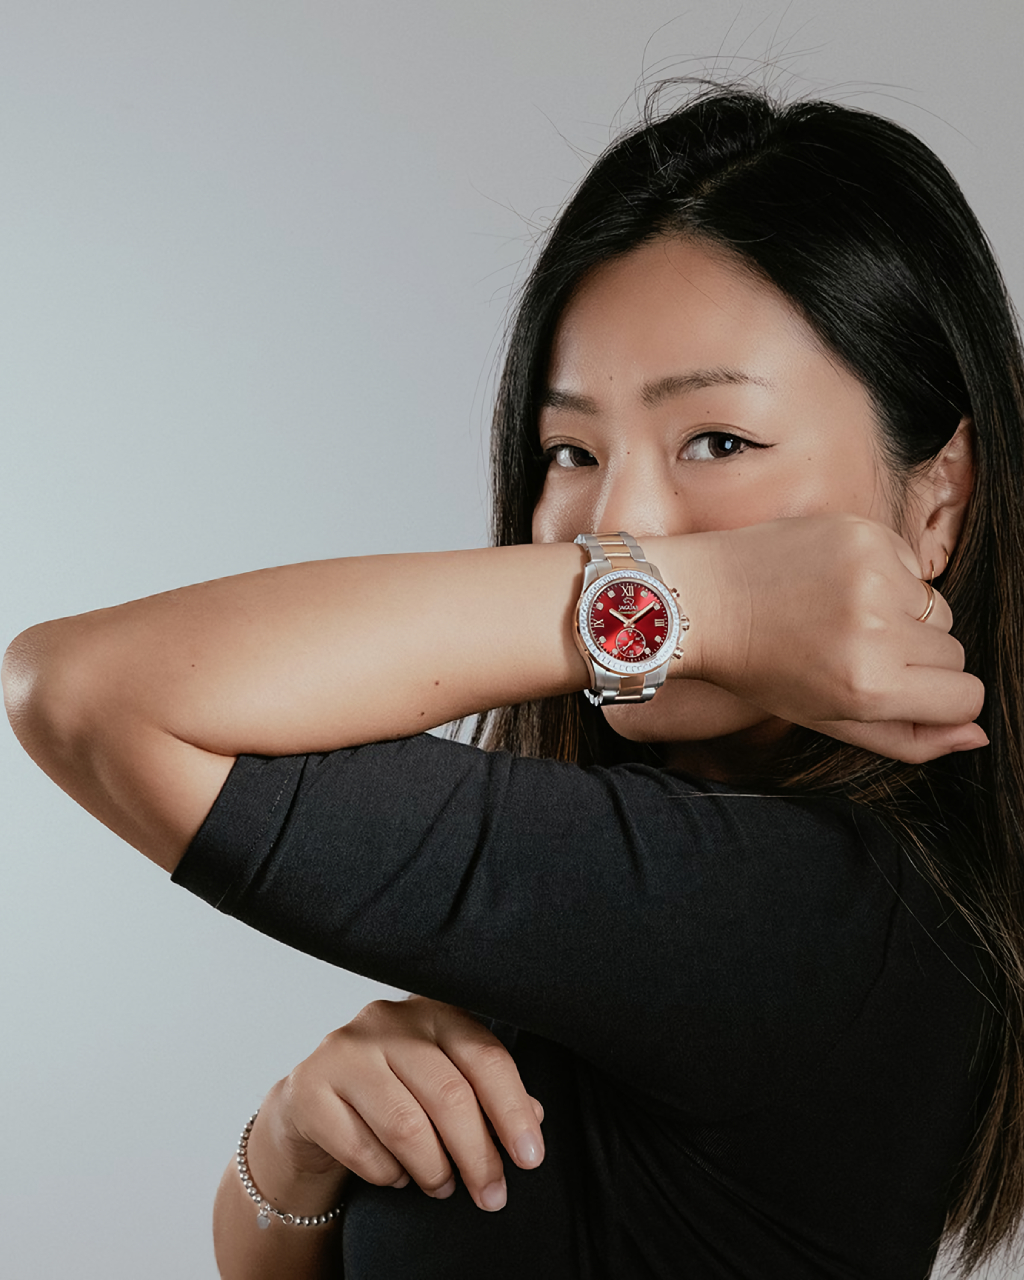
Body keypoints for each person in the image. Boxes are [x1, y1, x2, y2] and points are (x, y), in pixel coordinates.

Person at [4, 84, 1024, 1278]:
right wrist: (293, 1151)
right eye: (570, 451)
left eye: (718, 440)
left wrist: (699, 601)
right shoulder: (654, 882)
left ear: (937, 497)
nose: (619, 520)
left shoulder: (799, 903)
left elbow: (82, 689)